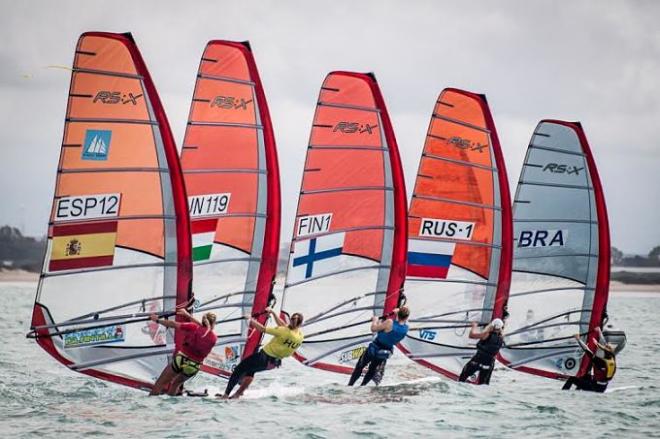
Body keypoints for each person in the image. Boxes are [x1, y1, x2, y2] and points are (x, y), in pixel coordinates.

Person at [219, 307, 304, 399]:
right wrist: (273, 313)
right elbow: (284, 325)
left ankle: (225, 395)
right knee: (251, 371)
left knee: (238, 370)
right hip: (274, 363)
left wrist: (250, 319)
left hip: (263, 358)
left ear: (291, 320)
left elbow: (262, 329)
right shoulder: (300, 335)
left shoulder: (284, 331)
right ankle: (238, 394)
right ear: (300, 323)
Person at [149, 308, 217, 396]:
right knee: (175, 385)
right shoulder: (213, 338)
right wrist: (188, 316)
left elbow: (173, 324)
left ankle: (148, 406)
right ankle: (170, 407)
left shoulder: (193, 327)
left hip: (181, 360)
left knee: (160, 384)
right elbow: (205, 330)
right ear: (213, 324)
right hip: (193, 366)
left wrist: (157, 320)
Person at [348, 306, 410, 386]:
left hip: (375, 348)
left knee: (360, 366)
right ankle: (362, 386)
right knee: (372, 369)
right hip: (385, 352)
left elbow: (373, 329)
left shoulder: (389, 322)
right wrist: (398, 313)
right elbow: (400, 322)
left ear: (399, 313)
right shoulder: (406, 328)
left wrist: (375, 320)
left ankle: (350, 385)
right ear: (407, 317)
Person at [562, 327, 622, 393]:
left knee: (572, 378)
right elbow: (604, 344)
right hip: (602, 386)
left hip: (595, 387)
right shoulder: (612, 358)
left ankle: (563, 393)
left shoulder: (601, 362)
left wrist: (578, 339)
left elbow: (587, 350)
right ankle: (578, 392)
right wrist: (599, 331)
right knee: (584, 376)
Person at [459, 318, 504, 385]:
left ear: (492, 326)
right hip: (489, 364)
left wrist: (474, 326)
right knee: (483, 384)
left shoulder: (486, 334)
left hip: (478, 360)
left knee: (463, 376)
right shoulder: (501, 338)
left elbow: (471, 335)